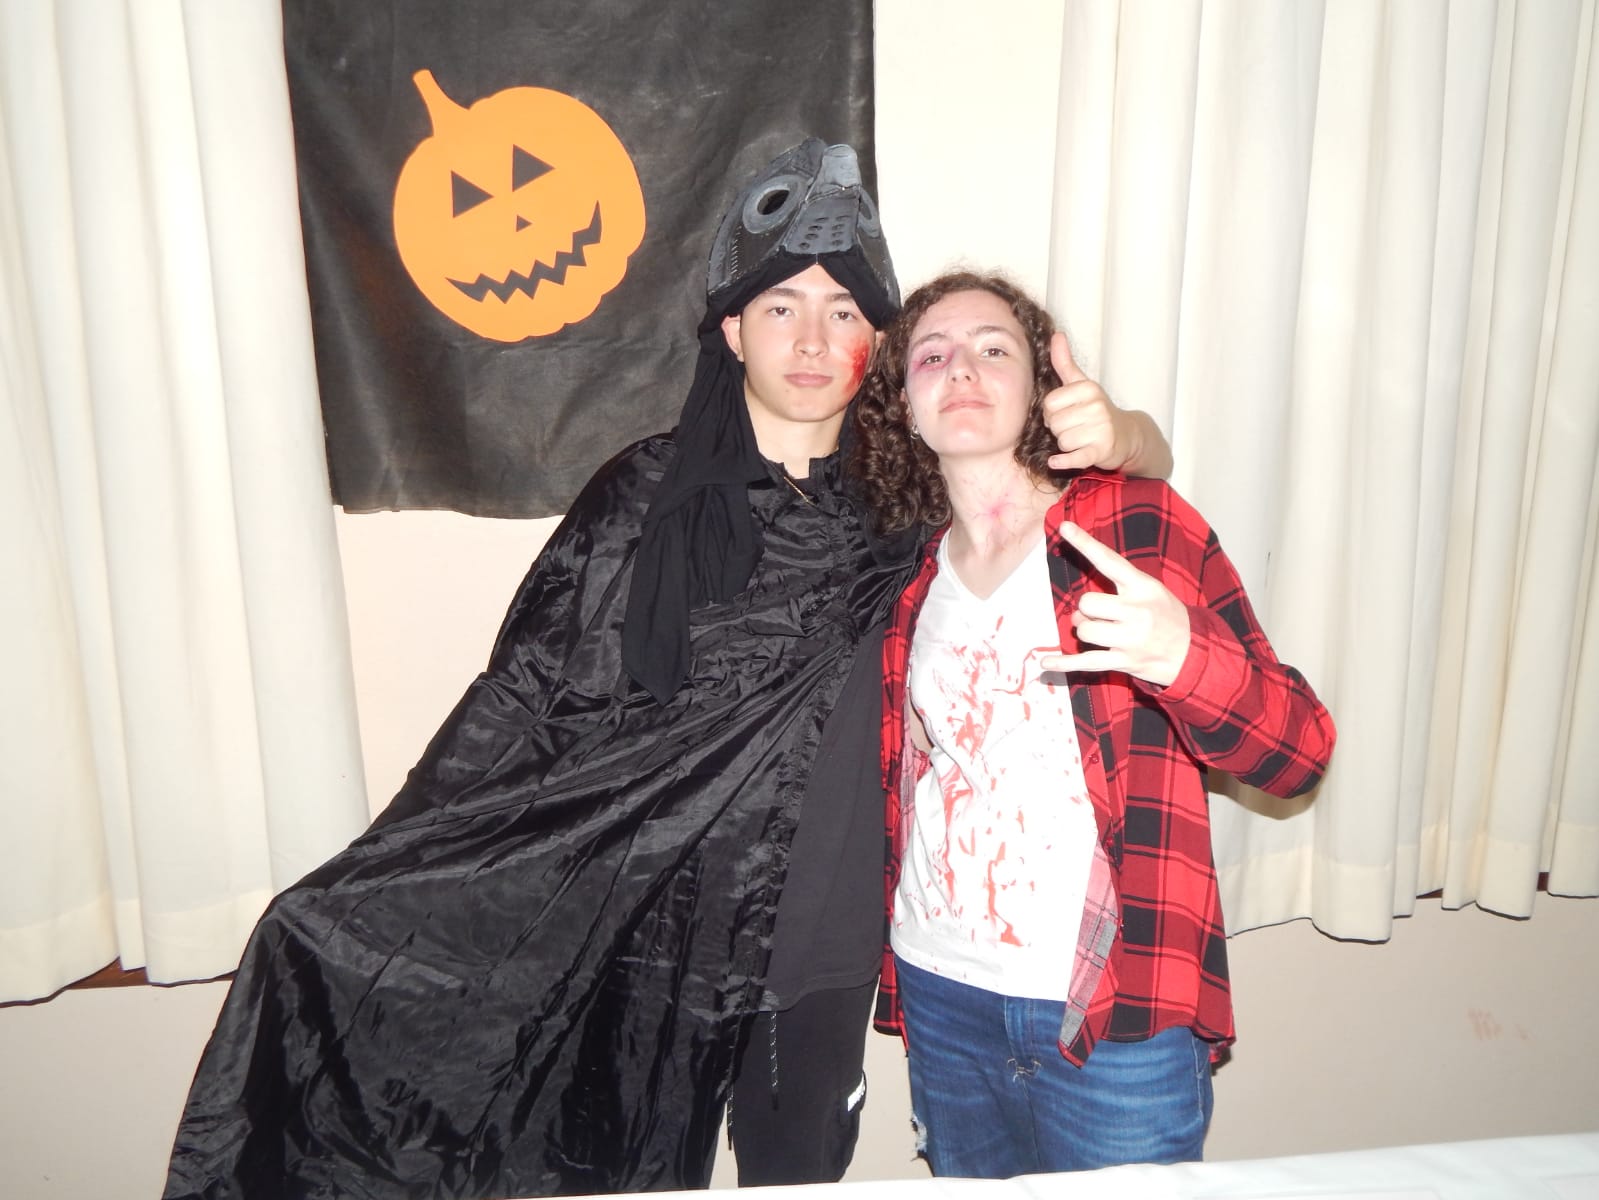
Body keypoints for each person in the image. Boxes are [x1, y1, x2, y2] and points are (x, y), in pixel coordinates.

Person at [163, 146, 1169, 1200]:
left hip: (816, 944)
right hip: (646, 928)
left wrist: (1128, 432)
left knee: (796, 1176)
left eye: (841, 310)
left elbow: (1101, 483)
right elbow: (525, 715)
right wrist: (369, 893)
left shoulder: (915, 498)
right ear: (731, 329)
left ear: (874, 341)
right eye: (779, 308)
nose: (811, 339)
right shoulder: (641, 497)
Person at [848, 270, 1336, 1179]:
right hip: (941, 988)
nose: (962, 369)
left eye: (993, 349)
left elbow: (1298, 754)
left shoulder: (1130, 527)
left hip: (1115, 1005)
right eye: (932, 355)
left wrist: (1183, 658)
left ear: (1040, 389)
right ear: (903, 405)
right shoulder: (904, 576)